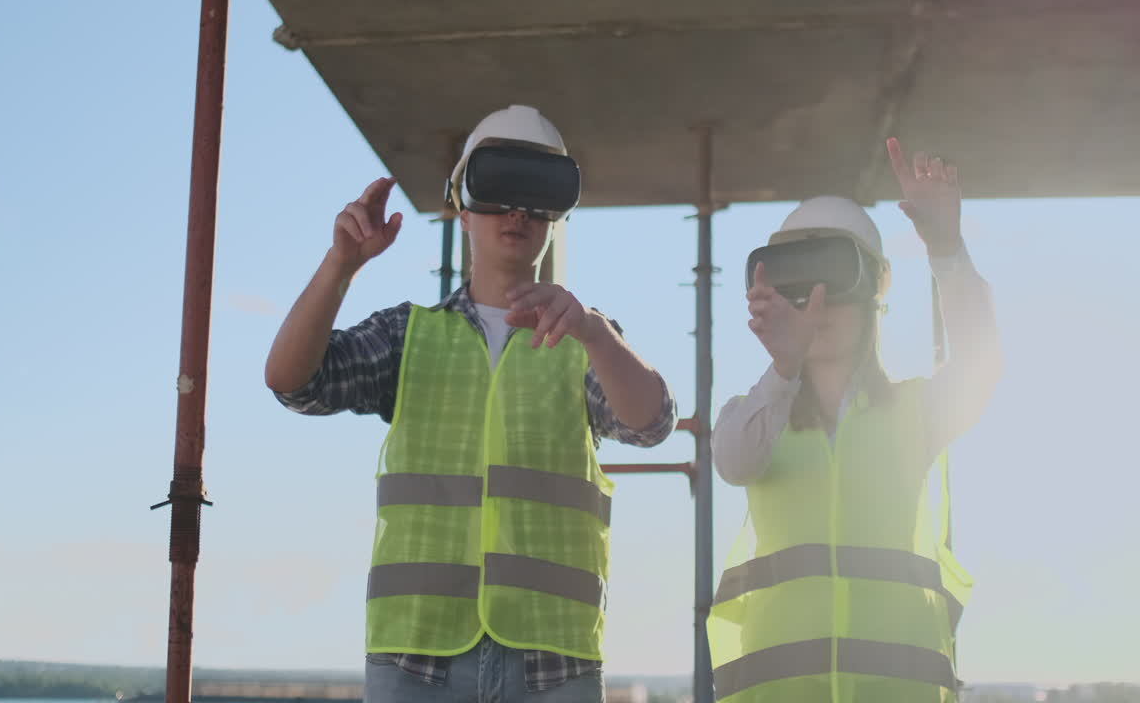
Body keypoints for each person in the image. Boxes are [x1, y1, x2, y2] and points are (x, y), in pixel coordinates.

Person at [265, 104, 677, 702]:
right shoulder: (409, 335)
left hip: (552, 660)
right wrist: (340, 267)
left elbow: (651, 424)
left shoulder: (585, 339)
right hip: (417, 656)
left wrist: (594, 333)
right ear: (461, 204)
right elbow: (292, 382)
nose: (517, 212)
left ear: (557, 213)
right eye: (498, 188)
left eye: (537, 194)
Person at [707, 138, 1002, 702]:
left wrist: (946, 247)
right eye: (800, 291)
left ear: (877, 289)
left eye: (836, 285)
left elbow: (983, 365)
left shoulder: (915, 414)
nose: (818, 307)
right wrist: (783, 367)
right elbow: (733, 461)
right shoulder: (757, 415)